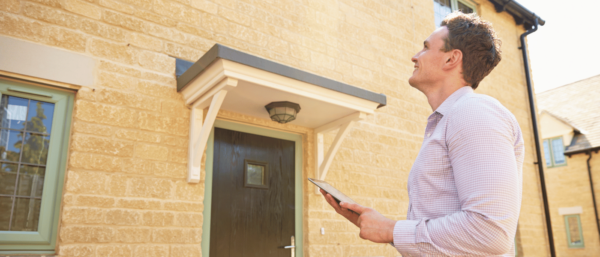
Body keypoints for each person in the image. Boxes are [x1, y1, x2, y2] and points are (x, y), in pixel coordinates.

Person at [321, 12, 524, 256]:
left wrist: (392, 230)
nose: (414, 56)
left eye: (426, 48)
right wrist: (381, 226)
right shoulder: (448, 120)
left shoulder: (474, 112)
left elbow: (491, 231)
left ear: (451, 59)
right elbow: (455, 243)